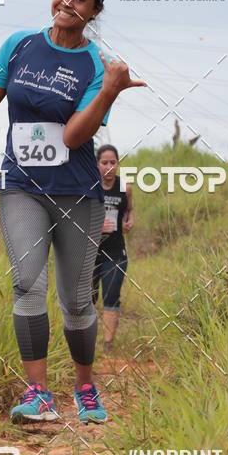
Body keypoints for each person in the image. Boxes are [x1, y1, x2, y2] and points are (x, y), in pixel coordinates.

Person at [0, 0, 145, 424]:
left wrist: (108, 92)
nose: (67, 2)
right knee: (27, 284)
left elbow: (71, 138)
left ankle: (85, 388)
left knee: (76, 300)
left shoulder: (94, 65)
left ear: (94, 11)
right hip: (21, 186)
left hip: (77, 193)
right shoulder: (21, 45)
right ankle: (39, 395)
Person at [92, 145, 133, 350]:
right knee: (88, 297)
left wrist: (128, 221)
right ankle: (86, 342)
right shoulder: (89, 186)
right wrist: (96, 226)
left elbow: (130, 210)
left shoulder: (124, 187)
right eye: (104, 162)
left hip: (115, 250)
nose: (109, 166)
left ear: (118, 163)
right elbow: (74, 216)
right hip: (89, 250)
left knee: (111, 294)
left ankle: (108, 345)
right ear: (97, 164)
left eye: (113, 162)